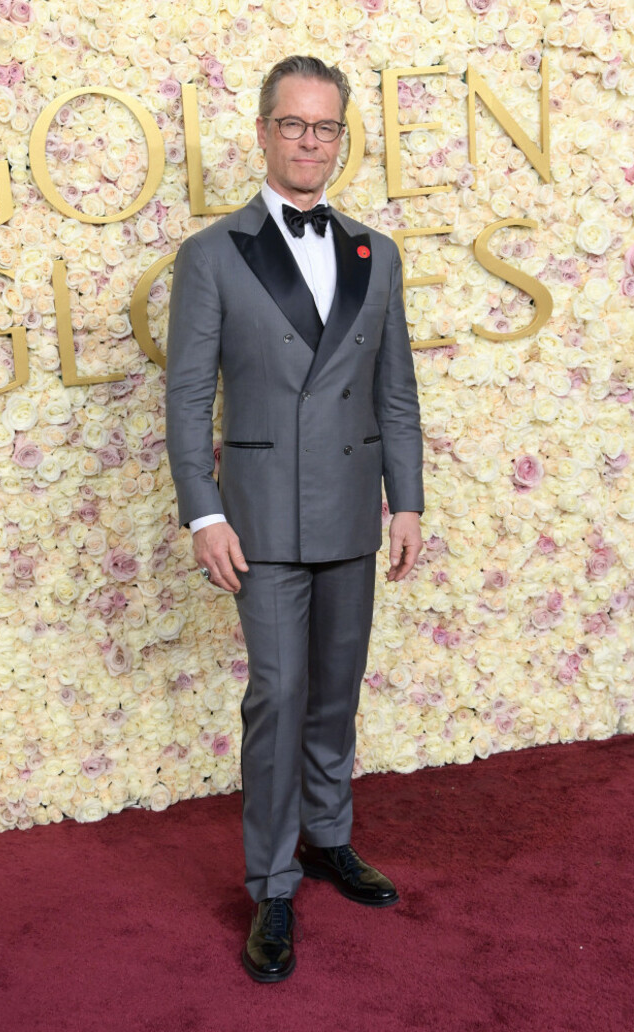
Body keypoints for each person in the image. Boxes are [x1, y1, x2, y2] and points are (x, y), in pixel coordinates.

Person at [165, 55, 424, 983]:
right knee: (276, 698)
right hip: (261, 517)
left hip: (356, 510)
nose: (309, 142)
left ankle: (328, 839)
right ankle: (273, 885)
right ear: (265, 131)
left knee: (335, 691)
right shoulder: (211, 254)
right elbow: (189, 395)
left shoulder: (376, 252)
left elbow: (397, 391)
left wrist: (410, 501)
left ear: (340, 139)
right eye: (293, 125)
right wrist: (204, 511)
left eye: (325, 128)